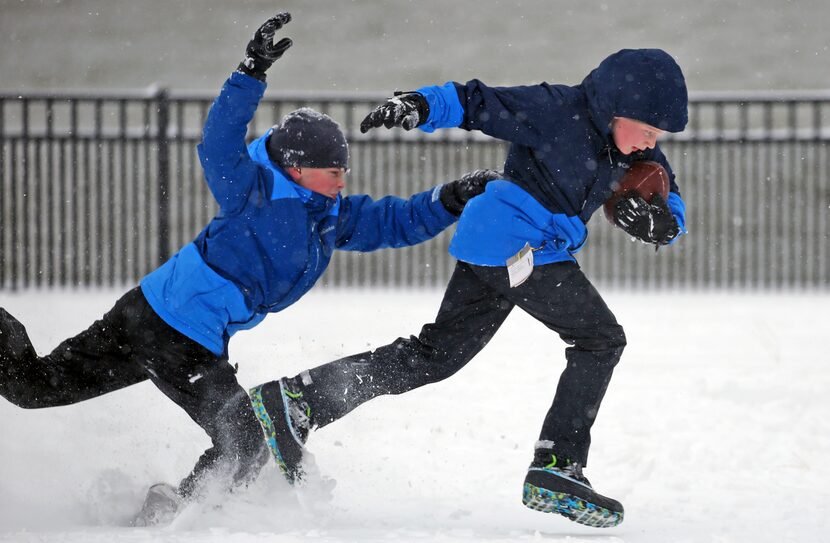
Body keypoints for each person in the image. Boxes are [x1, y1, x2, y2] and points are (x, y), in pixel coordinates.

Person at [0, 12, 498, 526]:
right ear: (298, 168)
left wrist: (453, 197)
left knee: (238, 435)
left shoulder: (329, 217)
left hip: (175, 329)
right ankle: (182, 510)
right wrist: (251, 70)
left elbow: (396, 221)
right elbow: (219, 138)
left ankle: (176, 507)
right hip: (164, 329)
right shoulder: (250, 191)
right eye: (334, 171)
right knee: (40, 390)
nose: (343, 180)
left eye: (344, 170)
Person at [249, 48, 689, 529]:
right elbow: (477, 101)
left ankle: (299, 399)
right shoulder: (557, 110)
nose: (650, 143)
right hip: (519, 246)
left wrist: (664, 225)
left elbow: (668, 193)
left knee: (434, 356)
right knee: (601, 339)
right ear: (616, 107)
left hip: (492, 245)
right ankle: (556, 465)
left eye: (657, 136)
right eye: (647, 130)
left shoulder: (636, 149)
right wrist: (420, 104)